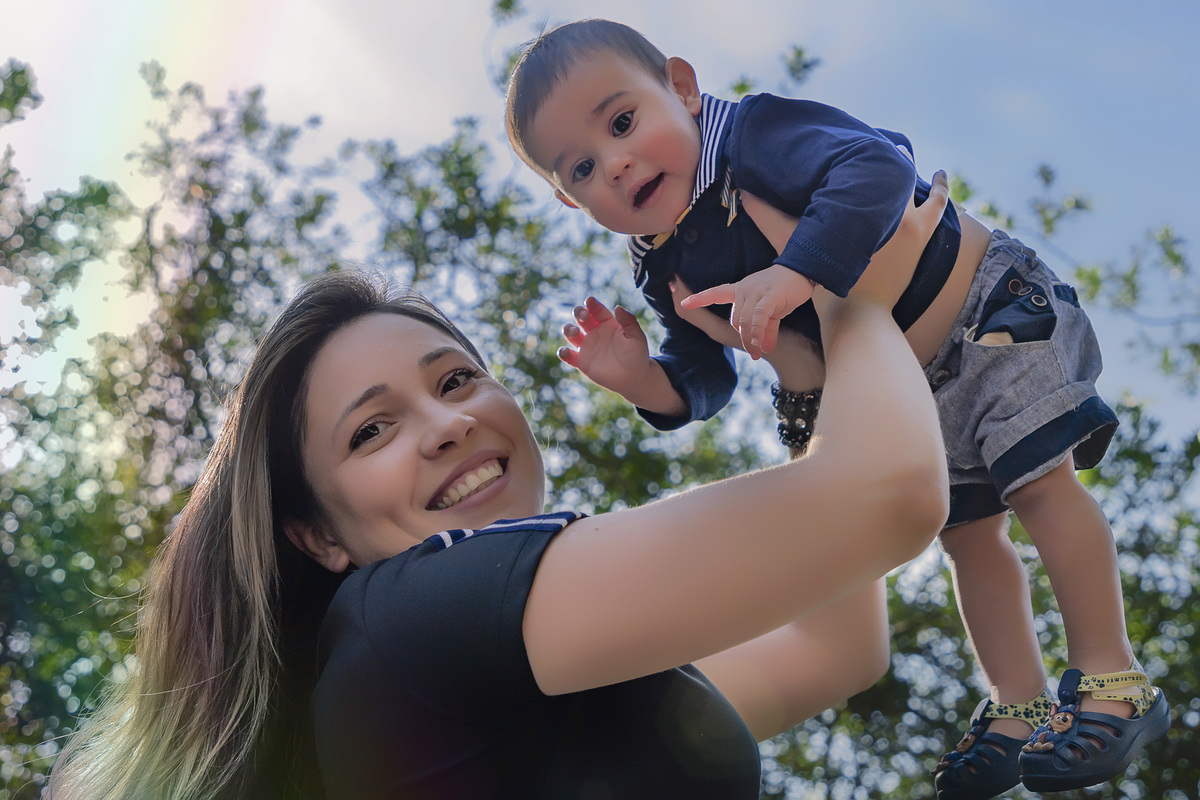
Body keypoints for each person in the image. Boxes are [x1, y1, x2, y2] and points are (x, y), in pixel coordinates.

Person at [47, 187, 948, 798]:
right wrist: (850, 289)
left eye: (455, 380)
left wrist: (804, 374)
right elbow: (894, 495)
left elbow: (836, 649)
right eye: (371, 431)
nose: (446, 424)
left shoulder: (505, 680)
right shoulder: (411, 617)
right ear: (319, 537)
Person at [503, 18, 1170, 799]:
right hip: (916, 384)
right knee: (968, 537)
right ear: (569, 197)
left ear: (681, 89)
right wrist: (642, 378)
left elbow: (876, 167)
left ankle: (1113, 677)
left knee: (1040, 486)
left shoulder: (751, 136)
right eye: (583, 167)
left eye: (622, 122)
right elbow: (708, 370)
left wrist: (797, 272)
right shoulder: (660, 262)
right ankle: (1017, 703)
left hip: (990, 315)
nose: (615, 162)